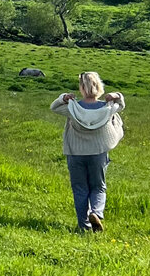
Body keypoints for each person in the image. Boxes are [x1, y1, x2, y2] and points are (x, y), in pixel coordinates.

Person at [50, 72, 124, 232]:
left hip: (75, 153)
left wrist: (63, 97)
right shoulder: (107, 108)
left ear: (81, 88)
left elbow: (53, 107)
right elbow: (121, 105)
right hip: (98, 153)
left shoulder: (72, 108)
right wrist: (117, 95)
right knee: (98, 187)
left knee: (80, 188)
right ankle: (96, 212)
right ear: (99, 87)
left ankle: (84, 225)